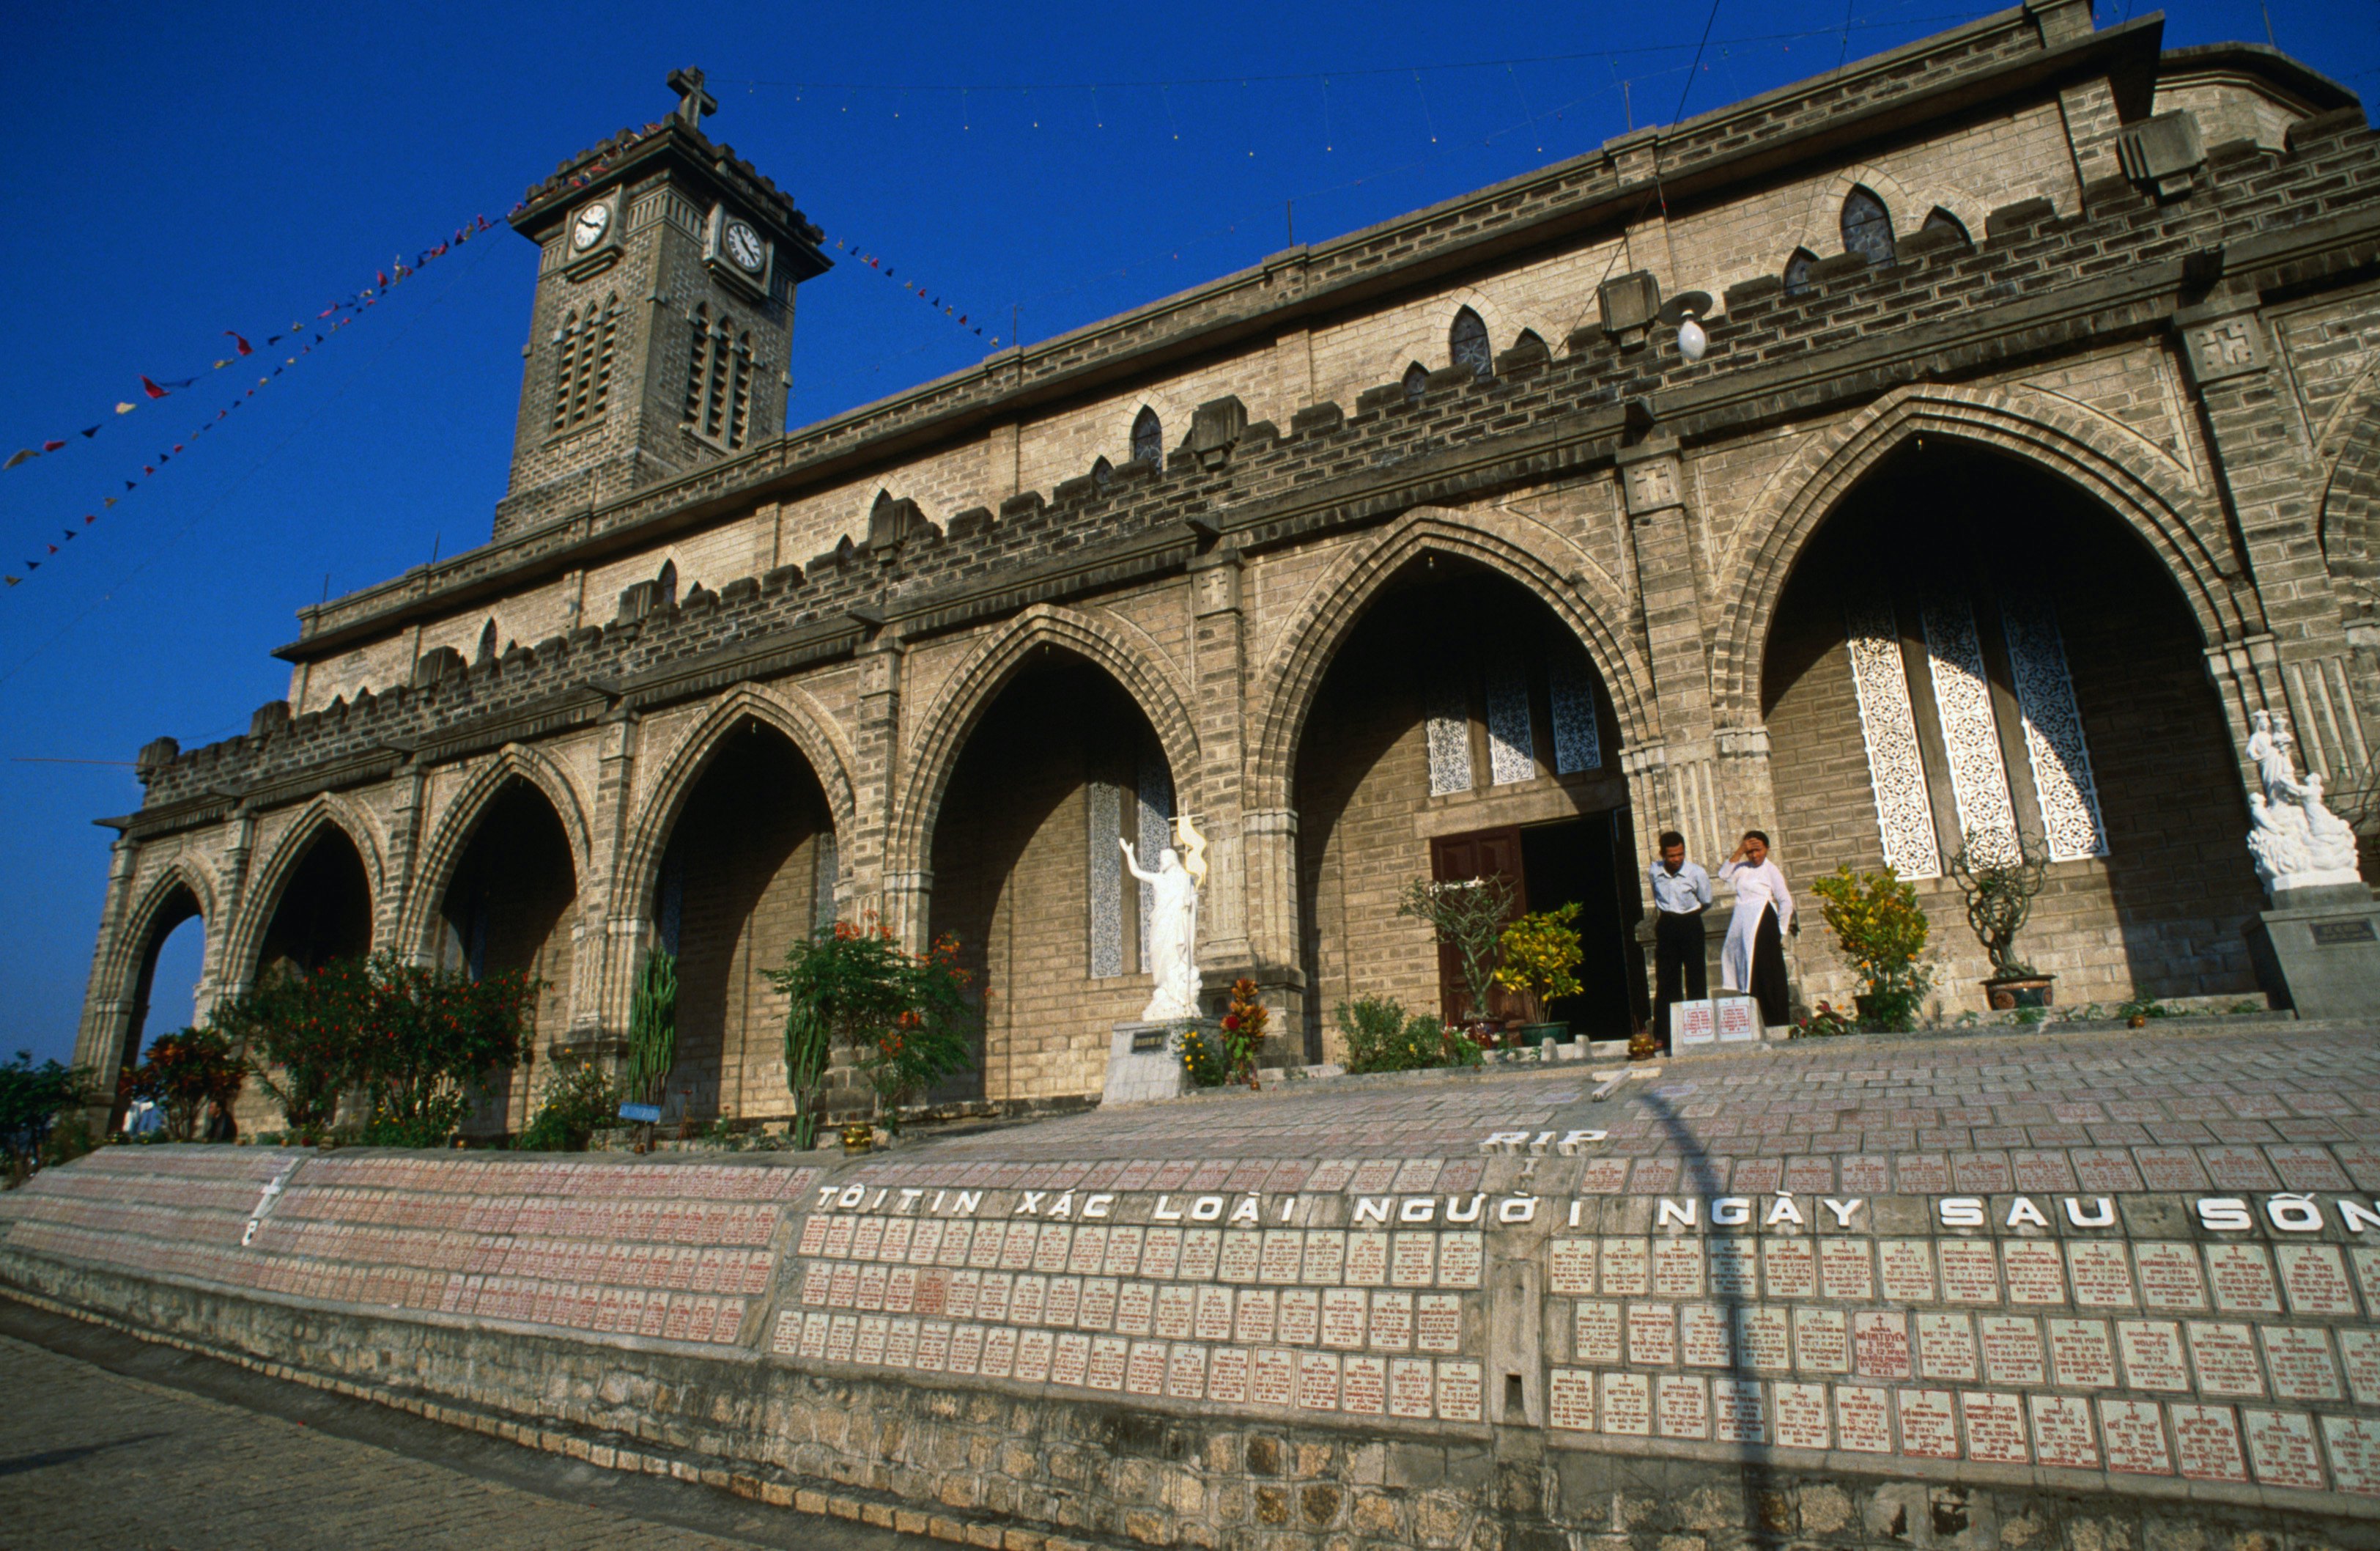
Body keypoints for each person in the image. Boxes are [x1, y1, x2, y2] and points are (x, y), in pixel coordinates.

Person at [1718, 830, 1795, 1028]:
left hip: (1764, 921)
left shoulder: (1771, 870)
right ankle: (1757, 1022)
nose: (1754, 856)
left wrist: (1781, 930)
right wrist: (1740, 850)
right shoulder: (1742, 868)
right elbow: (1723, 875)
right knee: (1749, 971)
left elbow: (1786, 901)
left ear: (1767, 849)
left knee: (1767, 972)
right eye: (1750, 852)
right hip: (1744, 924)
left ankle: (1776, 1021)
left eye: (1758, 850)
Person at [1647, 829, 1712, 1047]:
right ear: (1663, 854)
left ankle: (1699, 1032)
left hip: (1691, 923)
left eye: (1680, 855)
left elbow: (1706, 900)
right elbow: (1657, 896)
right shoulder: (1654, 871)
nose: (1676, 860)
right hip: (1667, 925)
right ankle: (1664, 1035)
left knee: (1695, 977)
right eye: (1672, 856)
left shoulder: (1697, 873)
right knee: (1666, 980)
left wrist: (1687, 917)